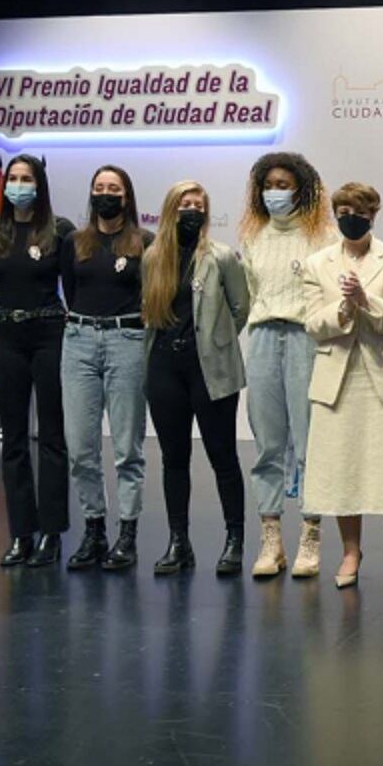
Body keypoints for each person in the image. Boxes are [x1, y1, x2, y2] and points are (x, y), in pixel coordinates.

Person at [300, 183, 383, 588]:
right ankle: (351, 552)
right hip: (336, 377)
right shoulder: (317, 262)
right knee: (341, 470)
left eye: (357, 209)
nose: (349, 215)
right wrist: (342, 306)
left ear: (373, 213)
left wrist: (365, 299)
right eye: (342, 209)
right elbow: (313, 325)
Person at [141, 180, 249, 578]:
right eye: (184, 204)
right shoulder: (153, 257)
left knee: (223, 456)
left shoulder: (221, 257)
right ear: (171, 209)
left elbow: (241, 308)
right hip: (163, 368)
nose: (192, 210)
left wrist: (214, 343)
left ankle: (235, 540)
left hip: (210, 369)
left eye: (198, 204)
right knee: (173, 459)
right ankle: (178, 542)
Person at [239, 152, 334, 581]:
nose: (275, 192)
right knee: (267, 441)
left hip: (304, 340)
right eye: (269, 184)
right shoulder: (254, 235)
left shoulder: (323, 235)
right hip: (261, 338)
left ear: (302, 187)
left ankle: (311, 535)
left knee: (310, 439)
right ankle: (271, 537)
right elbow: (251, 292)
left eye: (284, 184)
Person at [0, 154, 74, 568]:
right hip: (8, 336)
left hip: (49, 334)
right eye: (13, 179)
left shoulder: (60, 231)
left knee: (52, 437)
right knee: (14, 438)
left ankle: (52, 533)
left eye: (27, 178)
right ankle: (21, 533)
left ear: (40, 185)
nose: (19, 185)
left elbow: (71, 286)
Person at [62, 165, 152, 572]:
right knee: (81, 448)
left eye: (113, 188)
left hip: (126, 341)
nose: (105, 194)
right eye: (98, 187)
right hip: (78, 341)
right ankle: (94, 529)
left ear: (126, 196)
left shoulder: (144, 242)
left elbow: (150, 294)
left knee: (127, 447)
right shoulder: (75, 241)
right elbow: (70, 288)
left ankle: (128, 533)